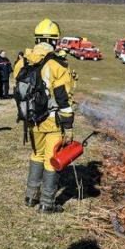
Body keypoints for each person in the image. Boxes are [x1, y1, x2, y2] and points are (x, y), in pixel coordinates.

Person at [14, 18, 75, 212]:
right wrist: (68, 126)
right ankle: (47, 203)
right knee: (51, 158)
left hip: (31, 119)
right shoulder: (57, 65)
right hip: (52, 121)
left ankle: (31, 197)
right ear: (54, 40)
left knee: (37, 154)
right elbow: (63, 99)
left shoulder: (23, 60)